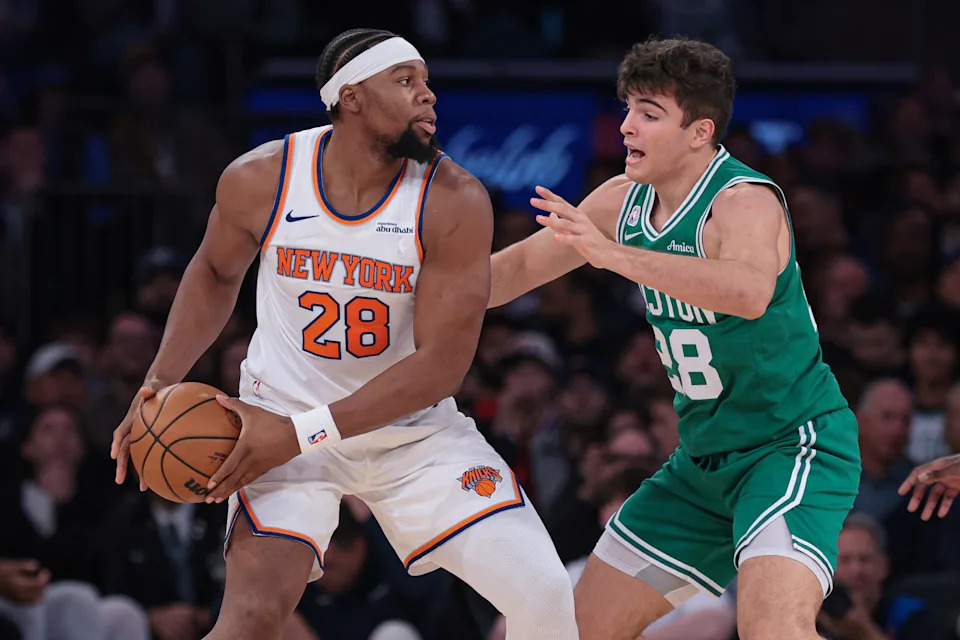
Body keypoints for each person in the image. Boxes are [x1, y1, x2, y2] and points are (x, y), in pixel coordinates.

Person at [109, 28, 577, 640]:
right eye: (406, 81)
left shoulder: (455, 199)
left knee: (544, 594)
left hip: (411, 435)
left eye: (428, 82)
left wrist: (299, 433)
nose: (428, 96)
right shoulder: (262, 178)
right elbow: (217, 271)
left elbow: (440, 366)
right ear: (351, 96)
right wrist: (158, 383)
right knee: (250, 616)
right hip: (278, 415)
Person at [490, 37, 861, 640]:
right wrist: (391, 279)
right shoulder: (618, 201)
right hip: (701, 464)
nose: (628, 126)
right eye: (629, 107)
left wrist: (614, 256)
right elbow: (503, 278)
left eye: (650, 113)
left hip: (789, 446)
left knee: (772, 630)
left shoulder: (744, 201)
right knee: (571, 631)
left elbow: (746, 293)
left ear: (700, 131)